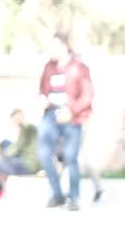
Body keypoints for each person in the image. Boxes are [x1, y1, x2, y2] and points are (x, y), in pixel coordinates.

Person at [37, 32, 94, 210]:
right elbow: (41, 91)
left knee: (71, 157)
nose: (49, 51)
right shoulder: (48, 67)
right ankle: (58, 195)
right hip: (51, 115)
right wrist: (42, 99)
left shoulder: (80, 67)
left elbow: (88, 95)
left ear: (63, 47)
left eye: (52, 47)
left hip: (72, 116)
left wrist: (71, 111)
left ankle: (74, 198)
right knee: (44, 154)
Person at [0, 109, 39, 207]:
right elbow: (18, 146)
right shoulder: (27, 128)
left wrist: (1, 156)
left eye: (14, 120)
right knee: (4, 144)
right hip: (27, 160)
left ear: (19, 117)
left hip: (28, 164)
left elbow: (17, 147)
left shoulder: (27, 128)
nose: (14, 123)